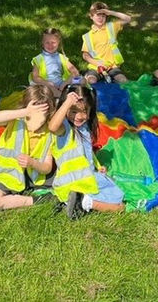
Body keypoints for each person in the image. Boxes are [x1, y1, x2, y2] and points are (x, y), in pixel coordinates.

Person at [48, 85, 125, 220]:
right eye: (73, 111)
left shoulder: (84, 129)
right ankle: (86, 202)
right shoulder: (64, 129)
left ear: (90, 110)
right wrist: (67, 103)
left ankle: (77, 201)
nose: (78, 116)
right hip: (73, 181)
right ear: (65, 109)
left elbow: (84, 152)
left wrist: (97, 166)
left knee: (117, 196)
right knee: (119, 206)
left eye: (83, 111)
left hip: (86, 178)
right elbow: (52, 126)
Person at [0, 84, 56, 210]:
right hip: (9, 174)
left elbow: (47, 167)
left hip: (38, 177)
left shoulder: (50, 133)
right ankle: (37, 200)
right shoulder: (16, 121)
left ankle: (46, 196)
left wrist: (32, 163)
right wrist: (25, 112)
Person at [82, 2, 132, 84]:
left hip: (112, 66)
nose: (101, 18)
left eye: (103, 16)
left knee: (123, 80)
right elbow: (85, 55)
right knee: (91, 80)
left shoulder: (111, 27)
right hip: (96, 66)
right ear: (91, 16)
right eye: (98, 15)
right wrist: (97, 63)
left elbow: (128, 19)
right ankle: (88, 76)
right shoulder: (88, 36)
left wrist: (110, 12)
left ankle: (111, 81)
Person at [29, 27, 81, 96]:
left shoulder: (61, 57)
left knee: (82, 80)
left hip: (62, 83)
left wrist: (65, 83)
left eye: (53, 42)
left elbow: (75, 72)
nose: (50, 45)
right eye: (47, 43)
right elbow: (35, 77)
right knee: (50, 89)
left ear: (58, 42)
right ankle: (62, 98)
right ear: (42, 43)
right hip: (46, 84)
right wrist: (48, 83)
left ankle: (66, 93)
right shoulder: (38, 59)